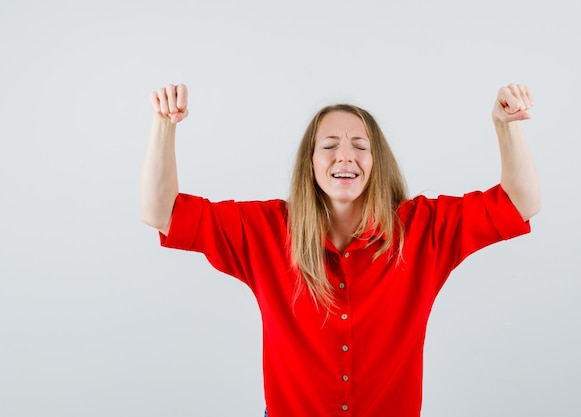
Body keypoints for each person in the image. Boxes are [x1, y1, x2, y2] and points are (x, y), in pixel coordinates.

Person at [140, 83, 540, 416]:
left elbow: (521, 203)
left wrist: (505, 126)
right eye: (329, 145)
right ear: (310, 163)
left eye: (360, 146)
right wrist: (164, 126)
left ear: (376, 161)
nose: (344, 155)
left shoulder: (423, 229)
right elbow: (161, 213)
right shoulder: (266, 230)